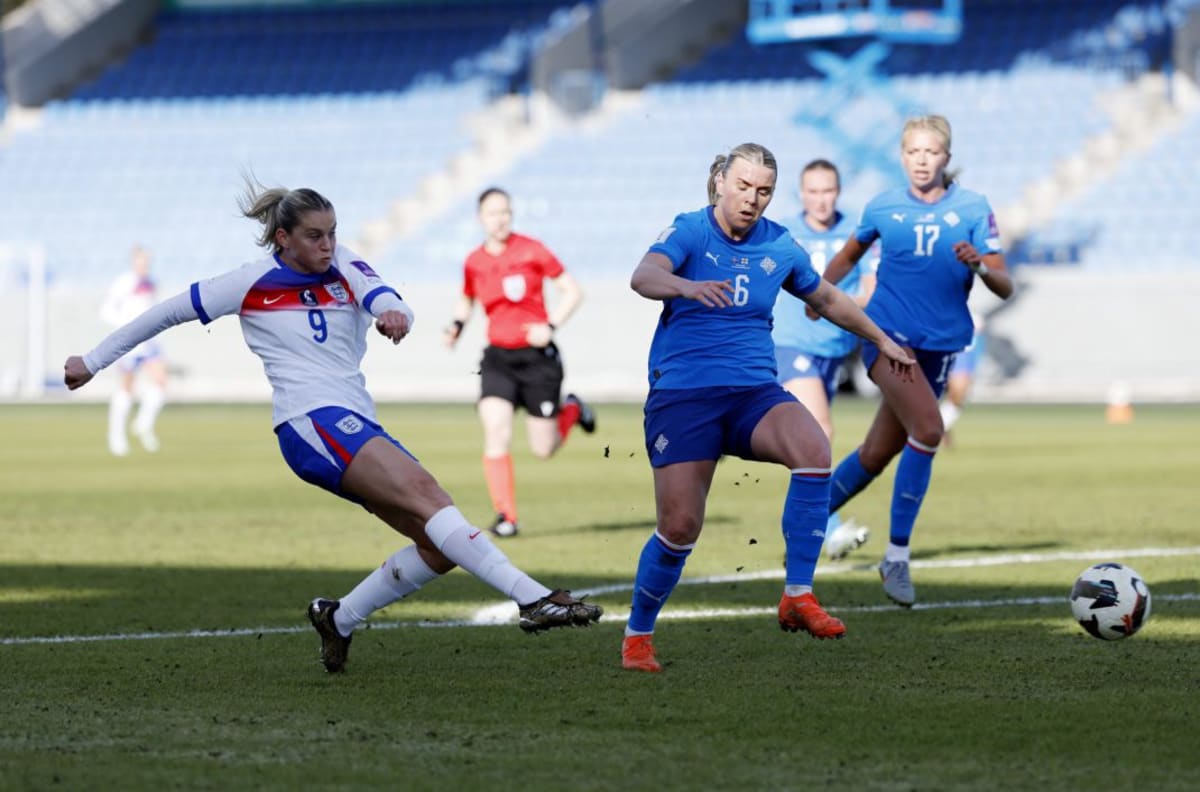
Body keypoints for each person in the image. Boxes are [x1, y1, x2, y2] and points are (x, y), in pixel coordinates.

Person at [64, 181, 602, 674]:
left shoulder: (345, 264)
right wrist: (91, 361)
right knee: (428, 495)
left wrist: (397, 315)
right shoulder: (250, 283)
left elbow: (387, 298)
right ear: (284, 238)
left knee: (437, 547)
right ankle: (533, 597)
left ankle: (338, 619)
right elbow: (163, 313)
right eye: (314, 236)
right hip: (309, 422)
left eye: (333, 233)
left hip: (354, 419)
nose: (327, 245)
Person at [621, 143, 915, 673]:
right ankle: (638, 635)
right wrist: (686, 287)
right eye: (743, 187)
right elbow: (643, 277)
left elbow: (825, 299)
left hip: (754, 393)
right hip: (684, 396)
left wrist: (882, 339)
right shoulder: (689, 231)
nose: (752, 199)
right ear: (719, 183)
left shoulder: (779, 244)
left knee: (813, 449)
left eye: (763, 191)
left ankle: (797, 595)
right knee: (681, 525)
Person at [821, 115, 1013, 607]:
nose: (922, 161)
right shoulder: (883, 206)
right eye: (913, 153)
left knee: (875, 454)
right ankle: (897, 558)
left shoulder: (973, 207)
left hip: (941, 347)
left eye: (931, 153)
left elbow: (1003, 283)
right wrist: (817, 292)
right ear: (902, 157)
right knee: (928, 431)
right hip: (887, 338)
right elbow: (848, 254)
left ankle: (802, 520)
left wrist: (978, 266)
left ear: (947, 158)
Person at [444, 187, 595, 539]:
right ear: (480, 218)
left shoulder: (532, 249)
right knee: (496, 433)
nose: (499, 219)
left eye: (505, 212)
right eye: (493, 213)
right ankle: (506, 517)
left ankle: (572, 409)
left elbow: (573, 290)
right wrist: (456, 326)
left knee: (544, 449)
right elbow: (466, 299)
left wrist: (551, 325)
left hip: (538, 361)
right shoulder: (474, 261)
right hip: (498, 359)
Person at [772, 159, 878, 560]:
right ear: (802, 194)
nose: (820, 200)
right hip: (790, 344)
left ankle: (803, 532)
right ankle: (826, 527)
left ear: (838, 191)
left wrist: (832, 303)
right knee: (821, 431)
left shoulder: (857, 233)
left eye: (827, 191)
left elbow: (871, 290)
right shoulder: (784, 234)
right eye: (812, 192)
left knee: (810, 446)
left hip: (833, 350)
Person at [99, 245, 168, 456]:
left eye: (147, 261)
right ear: (134, 262)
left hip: (148, 342)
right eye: (141, 261)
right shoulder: (124, 282)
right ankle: (116, 435)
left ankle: (142, 425)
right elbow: (106, 310)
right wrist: (126, 327)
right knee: (127, 388)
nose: (144, 265)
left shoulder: (151, 283)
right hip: (130, 343)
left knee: (160, 381)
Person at [938, 313, 985, 447]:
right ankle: (938, 427)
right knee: (955, 402)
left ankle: (940, 426)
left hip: (954, 368)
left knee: (952, 403)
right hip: (959, 370)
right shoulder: (972, 337)